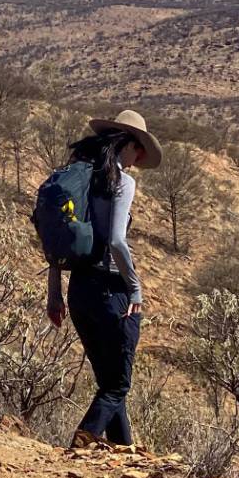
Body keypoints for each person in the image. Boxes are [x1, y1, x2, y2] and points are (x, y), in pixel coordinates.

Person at [45, 108, 161, 448]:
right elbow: (115, 240)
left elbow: (59, 243)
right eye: (139, 149)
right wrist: (136, 287)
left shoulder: (80, 180)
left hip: (79, 291)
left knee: (109, 383)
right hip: (112, 293)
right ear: (129, 145)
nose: (139, 158)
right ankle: (80, 447)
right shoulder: (122, 181)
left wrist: (55, 295)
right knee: (116, 386)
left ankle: (124, 454)